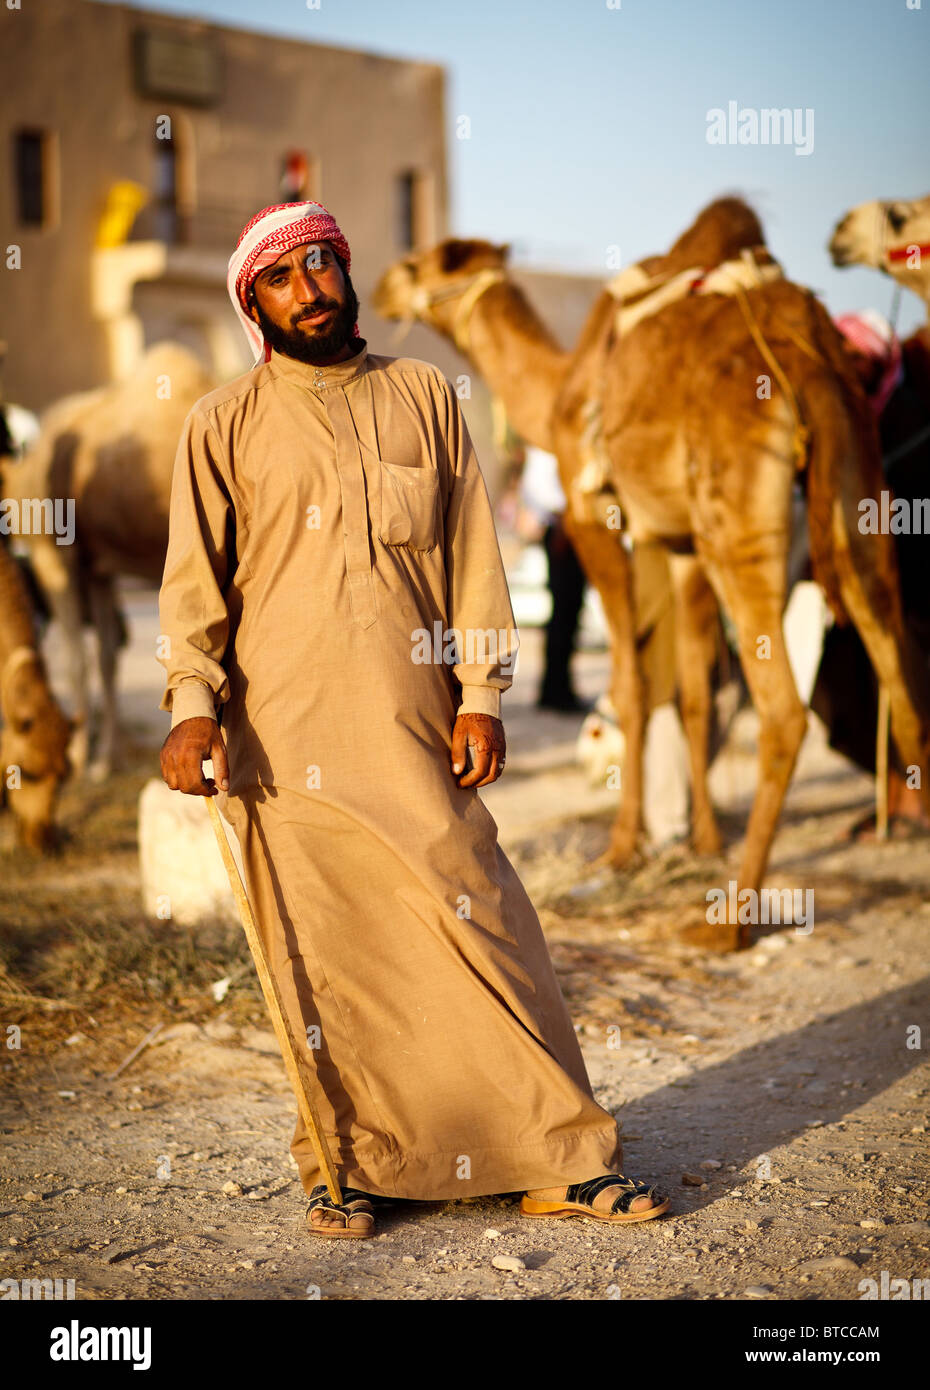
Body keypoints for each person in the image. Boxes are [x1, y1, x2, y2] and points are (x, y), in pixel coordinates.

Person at [157, 201, 669, 1237]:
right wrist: (191, 709)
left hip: (415, 722)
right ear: (255, 301)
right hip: (280, 742)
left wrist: (480, 693)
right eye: (284, 278)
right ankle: (351, 1161)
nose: (311, 289)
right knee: (328, 955)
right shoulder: (222, 423)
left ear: (347, 271)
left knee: (480, 918)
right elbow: (193, 591)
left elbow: (475, 556)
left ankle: (556, 1153)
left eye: (322, 266)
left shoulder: (425, 393)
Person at [810, 310, 930, 837]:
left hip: (915, 581)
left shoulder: (908, 417)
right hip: (862, 587)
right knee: (843, 686)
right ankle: (889, 797)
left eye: (859, 357)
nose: (851, 366)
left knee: (910, 683)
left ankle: (912, 802)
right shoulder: (847, 420)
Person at [518, 445, 591, 712]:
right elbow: (537, 490)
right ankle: (554, 689)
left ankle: (562, 686)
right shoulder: (544, 446)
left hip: (576, 530)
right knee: (562, 611)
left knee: (571, 610)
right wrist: (565, 512)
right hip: (561, 531)